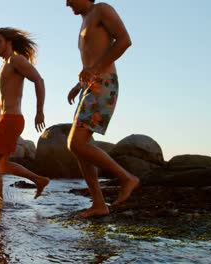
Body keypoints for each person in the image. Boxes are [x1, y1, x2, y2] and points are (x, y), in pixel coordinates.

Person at [65, 0, 139, 218]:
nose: (67, 2)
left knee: (75, 143)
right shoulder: (85, 21)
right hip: (90, 86)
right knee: (81, 147)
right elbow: (92, 57)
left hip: (104, 84)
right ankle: (98, 204)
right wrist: (79, 85)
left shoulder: (102, 10)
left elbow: (124, 41)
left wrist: (94, 70)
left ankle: (127, 178)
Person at [0, 27, 50, 201]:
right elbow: (7, 94)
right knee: (2, 165)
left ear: (9, 42)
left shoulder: (15, 60)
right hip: (6, 118)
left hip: (11, 120)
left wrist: (40, 111)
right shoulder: (5, 65)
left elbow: (39, 80)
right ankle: (39, 180)